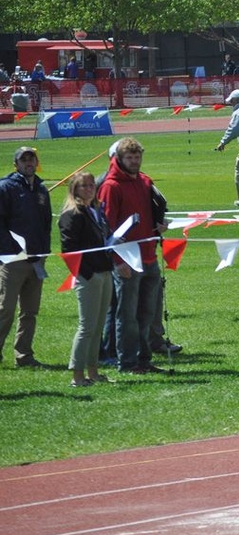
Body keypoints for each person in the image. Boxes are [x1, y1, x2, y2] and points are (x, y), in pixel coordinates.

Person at [98, 137, 167, 374]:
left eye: (137, 157)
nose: (135, 161)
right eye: (130, 157)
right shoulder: (110, 186)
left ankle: (144, 359)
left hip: (149, 257)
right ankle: (127, 362)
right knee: (126, 315)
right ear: (119, 158)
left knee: (146, 313)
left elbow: (152, 211)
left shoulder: (145, 182)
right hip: (126, 260)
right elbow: (107, 228)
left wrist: (160, 224)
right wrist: (117, 261)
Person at [58, 172, 114, 387]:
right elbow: (69, 249)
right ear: (75, 190)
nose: (90, 189)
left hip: (105, 272)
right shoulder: (72, 214)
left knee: (98, 326)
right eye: (84, 186)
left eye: (92, 185)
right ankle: (77, 375)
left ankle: (94, 372)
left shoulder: (96, 210)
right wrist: (87, 273)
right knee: (87, 327)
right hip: (89, 275)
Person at [0, 147, 52, 368]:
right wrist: (7, 251)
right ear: (16, 164)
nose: (29, 163)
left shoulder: (41, 189)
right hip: (12, 259)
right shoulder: (5, 188)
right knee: (5, 309)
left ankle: (24, 355)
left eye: (32, 159)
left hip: (36, 259)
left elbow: (46, 224)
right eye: (24, 160)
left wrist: (44, 252)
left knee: (30, 311)